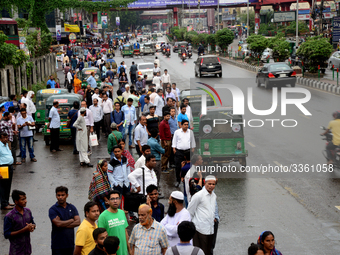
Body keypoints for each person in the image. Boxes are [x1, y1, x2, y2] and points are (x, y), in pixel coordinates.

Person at [187, 176, 217, 255]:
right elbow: (190, 212)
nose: (211, 186)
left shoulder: (214, 196)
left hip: (210, 229)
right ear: (204, 183)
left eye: (213, 184)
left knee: (208, 251)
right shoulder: (198, 195)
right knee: (200, 252)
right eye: (209, 184)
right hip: (200, 229)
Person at [49, 186, 81, 255]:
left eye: (63, 195)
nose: (60, 197)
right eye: (58, 195)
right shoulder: (53, 209)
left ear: (67, 195)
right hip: (57, 246)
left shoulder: (72, 207)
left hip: (70, 245)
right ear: (56, 196)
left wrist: (62, 223)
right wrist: (71, 220)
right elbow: (58, 224)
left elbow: (78, 222)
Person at [98, 190, 131, 255]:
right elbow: (100, 237)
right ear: (108, 201)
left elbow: (125, 232)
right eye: (112, 199)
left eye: (117, 198)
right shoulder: (103, 216)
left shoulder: (122, 212)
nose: (115, 201)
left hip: (124, 252)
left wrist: (129, 250)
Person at [3, 190, 36, 255]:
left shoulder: (28, 211)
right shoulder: (9, 216)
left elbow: (33, 223)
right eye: (23, 199)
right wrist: (24, 230)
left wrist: (32, 227)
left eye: (25, 199)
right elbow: (7, 234)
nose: (25, 201)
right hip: (16, 251)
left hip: (27, 250)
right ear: (16, 201)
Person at [172, 120, 196, 187]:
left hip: (188, 152)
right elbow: (174, 141)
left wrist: (193, 149)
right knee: (178, 166)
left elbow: (193, 141)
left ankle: (189, 180)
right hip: (179, 151)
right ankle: (178, 180)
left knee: (189, 166)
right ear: (181, 125)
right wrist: (174, 149)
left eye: (187, 124)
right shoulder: (177, 132)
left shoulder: (190, 132)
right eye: (185, 124)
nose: (186, 126)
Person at [0, 132, 14, 210]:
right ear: (0, 138)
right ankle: (3, 204)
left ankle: (6, 201)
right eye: (3, 138)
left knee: (8, 185)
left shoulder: (6, 145)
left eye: (6, 137)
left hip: (9, 167)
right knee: (3, 186)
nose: (6, 139)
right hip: (3, 168)